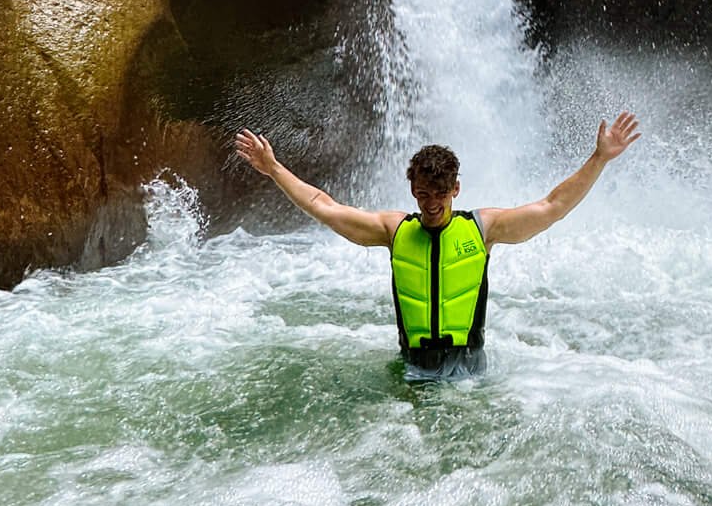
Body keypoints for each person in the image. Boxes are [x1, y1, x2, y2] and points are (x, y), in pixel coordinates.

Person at [233, 115, 641, 381]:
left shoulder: (483, 229)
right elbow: (324, 206)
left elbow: (552, 206)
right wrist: (273, 169)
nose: (431, 203)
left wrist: (599, 159)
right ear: (412, 190)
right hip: (412, 371)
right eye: (423, 193)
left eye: (440, 194)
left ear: (455, 190)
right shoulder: (393, 231)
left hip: (470, 374)